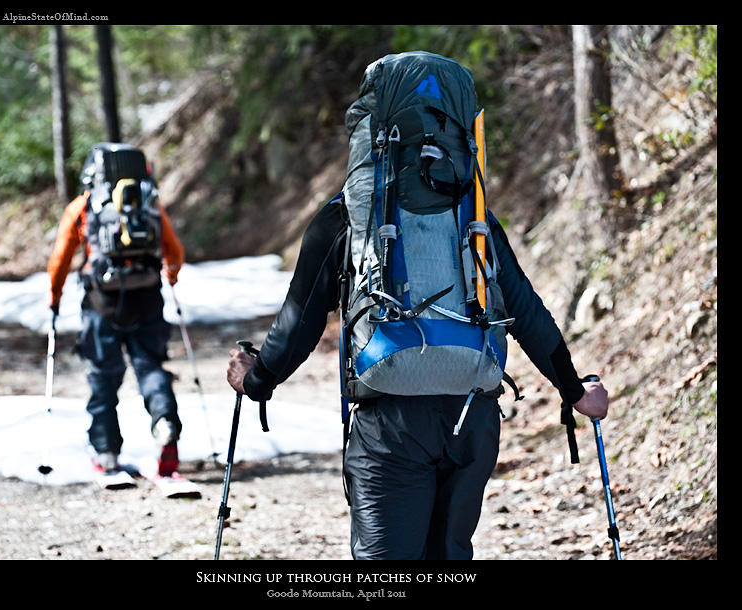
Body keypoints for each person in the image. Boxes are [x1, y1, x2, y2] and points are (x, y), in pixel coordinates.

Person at [226, 63, 609, 558]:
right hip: (472, 416)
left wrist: (256, 380)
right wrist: (575, 391)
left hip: (391, 424)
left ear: (370, 126)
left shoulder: (348, 215)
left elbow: (299, 320)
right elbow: (526, 312)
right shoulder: (475, 219)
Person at [48, 143, 186, 478]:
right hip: (148, 299)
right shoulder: (150, 203)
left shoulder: (83, 206)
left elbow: (61, 260)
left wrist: (55, 296)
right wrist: (169, 274)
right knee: (151, 367)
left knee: (103, 377)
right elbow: (175, 252)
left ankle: (106, 451)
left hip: (101, 304)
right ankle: (165, 423)